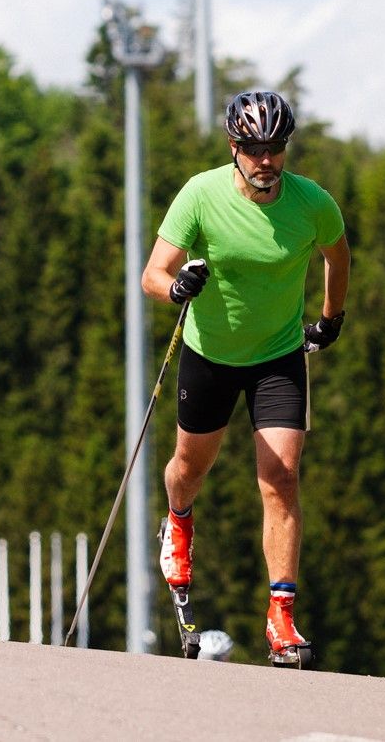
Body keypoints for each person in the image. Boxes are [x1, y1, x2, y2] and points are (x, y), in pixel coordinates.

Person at [142, 89, 350, 664]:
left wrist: (331, 319)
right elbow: (152, 275)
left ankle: (281, 619)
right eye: (255, 149)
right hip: (209, 357)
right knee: (189, 467)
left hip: (279, 358)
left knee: (281, 479)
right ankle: (178, 522)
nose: (267, 161)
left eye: (276, 148)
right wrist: (176, 287)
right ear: (235, 148)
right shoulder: (200, 194)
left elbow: (338, 256)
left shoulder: (312, 203)